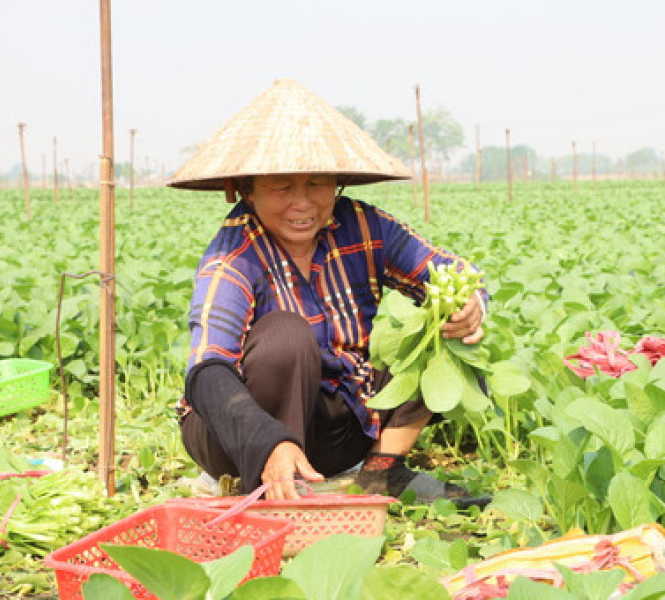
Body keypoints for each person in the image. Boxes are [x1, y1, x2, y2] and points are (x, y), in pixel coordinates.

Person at [167, 79, 488, 506]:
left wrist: (470, 305)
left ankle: (381, 472)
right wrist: (268, 441)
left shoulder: (363, 226)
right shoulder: (233, 257)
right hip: (238, 434)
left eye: (316, 184)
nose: (302, 203)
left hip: (337, 423)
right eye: (282, 187)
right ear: (245, 188)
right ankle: (270, 487)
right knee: (286, 336)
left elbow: (452, 272)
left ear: (336, 184)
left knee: (437, 327)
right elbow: (208, 370)